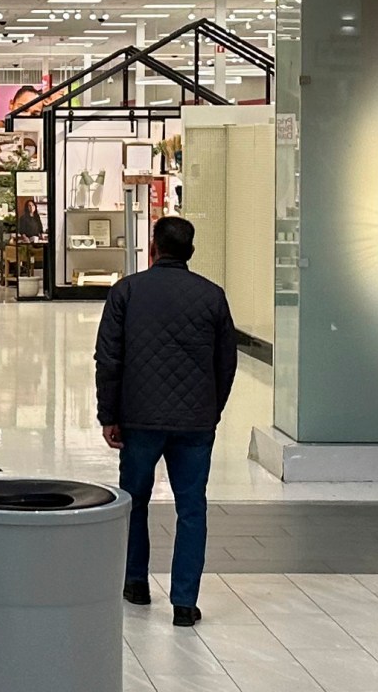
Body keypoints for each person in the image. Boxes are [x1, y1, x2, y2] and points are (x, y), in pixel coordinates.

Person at [93, 215, 236, 625]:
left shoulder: (127, 292)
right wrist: (212, 409)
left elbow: (109, 359)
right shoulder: (212, 296)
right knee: (192, 507)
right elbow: (226, 362)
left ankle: (135, 582)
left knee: (133, 501)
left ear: (152, 248)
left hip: (139, 419)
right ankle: (185, 603)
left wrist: (109, 415)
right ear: (190, 252)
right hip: (194, 423)